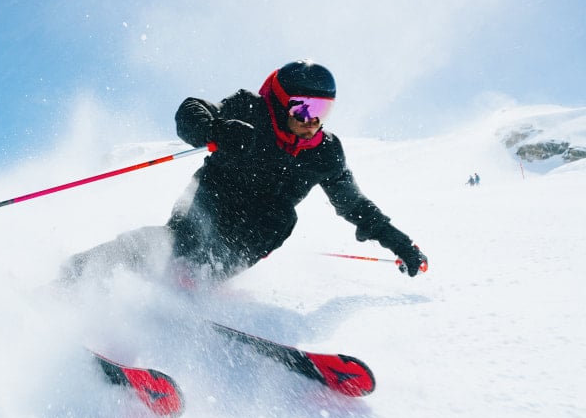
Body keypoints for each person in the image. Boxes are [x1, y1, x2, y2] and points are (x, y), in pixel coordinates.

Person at [61, 59, 428, 288]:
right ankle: (76, 274)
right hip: (212, 196)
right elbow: (191, 109)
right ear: (281, 102)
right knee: (175, 243)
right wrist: (214, 129)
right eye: (303, 108)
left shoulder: (325, 152)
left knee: (282, 216)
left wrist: (400, 243)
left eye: (322, 110)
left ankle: (200, 279)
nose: (312, 120)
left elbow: (354, 205)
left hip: (256, 222)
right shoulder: (251, 110)